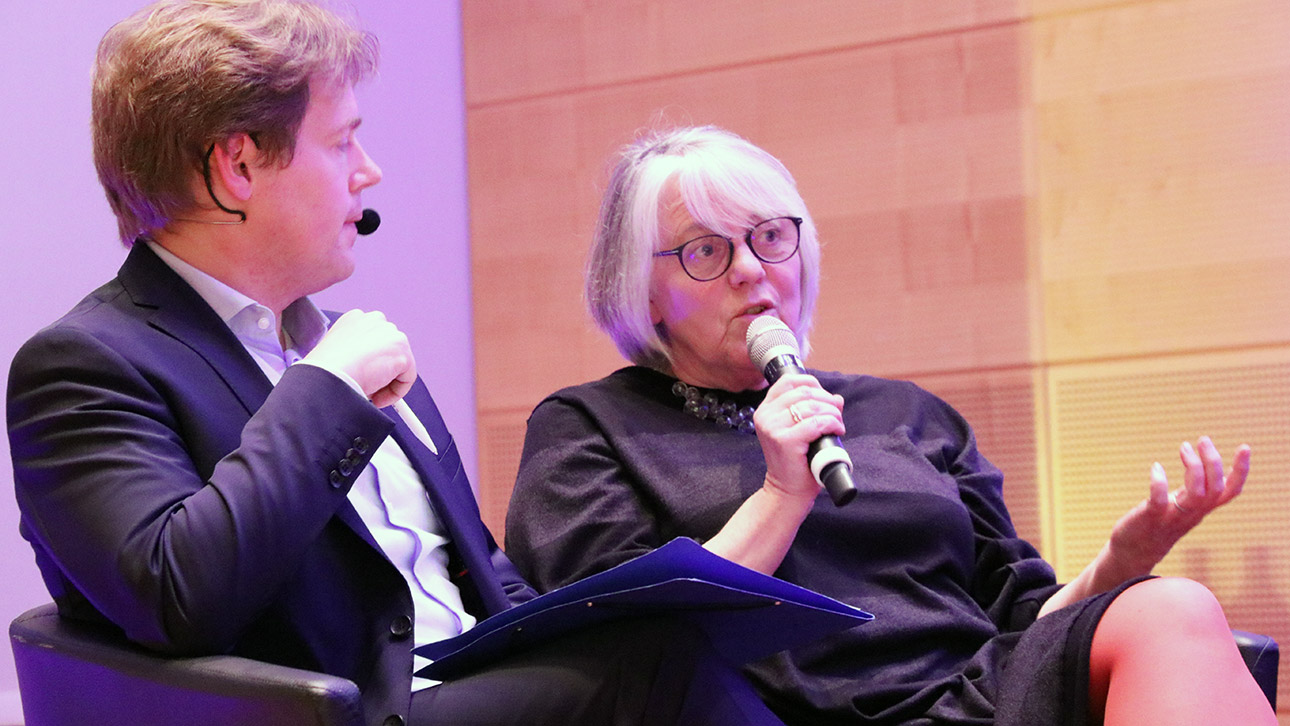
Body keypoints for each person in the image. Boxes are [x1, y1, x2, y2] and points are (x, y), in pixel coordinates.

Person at [6, 7, 789, 726]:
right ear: (236, 167)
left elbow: (480, 576)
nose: (368, 171)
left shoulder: (344, 342)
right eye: (343, 140)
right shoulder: (85, 365)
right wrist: (323, 392)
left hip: (470, 690)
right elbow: (176, 596)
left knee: (668, 634)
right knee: (657, 667)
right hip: (330, 713)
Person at [504, 125, 1276, 726]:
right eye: (707, 250)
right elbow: (622, 643)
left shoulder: (904, 414)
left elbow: (1021, 621)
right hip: (776, 713)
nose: (750, 269)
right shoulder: (589, 428)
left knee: (1169, 607)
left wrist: (1121, 559)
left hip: (981, 696)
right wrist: (781, 493)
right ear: (641, 288)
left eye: (771, 237)